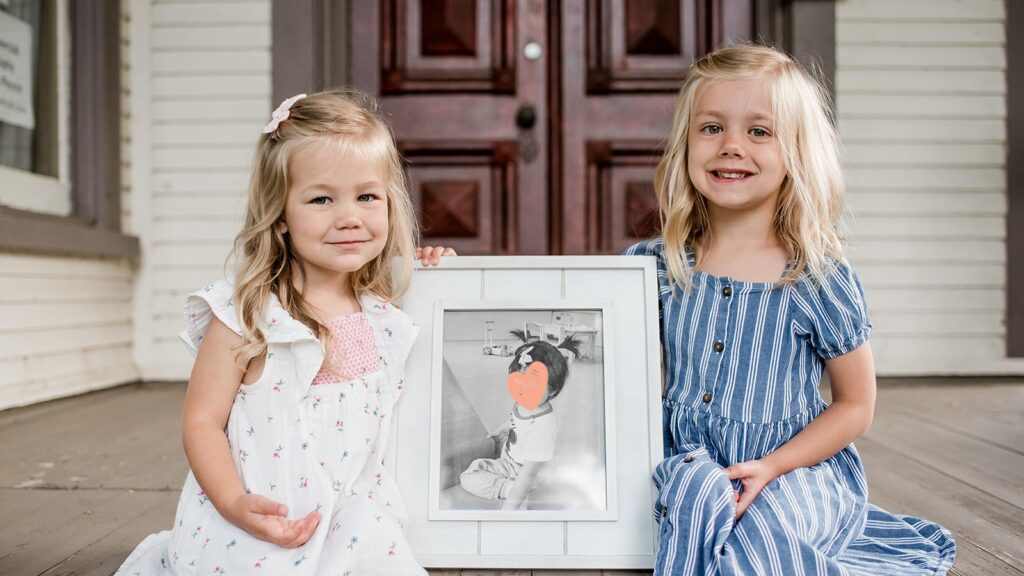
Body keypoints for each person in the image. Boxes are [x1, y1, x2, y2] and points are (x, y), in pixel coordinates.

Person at [624, 44, 956, 575]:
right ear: (686, 144)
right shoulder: (658, 266)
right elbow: (567, 313)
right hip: (690, 462)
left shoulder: (816, 276)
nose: (731, 146)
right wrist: (448, 272)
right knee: (691, 493)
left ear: (796, 151)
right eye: (711, 128)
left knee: (761, 538)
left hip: (794, 471)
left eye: (759, 131)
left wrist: (772, 465)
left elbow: (856, 405)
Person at [117, 89, 454, 575]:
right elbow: (202, 422)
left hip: (350, 519)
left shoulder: (383, 306)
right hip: (258, 524)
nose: (350, 217)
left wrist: (441, 274)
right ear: (280, 215)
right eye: (321, 199)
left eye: (367, 196)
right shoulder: (248, 313)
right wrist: (234, 503)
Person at [459, 334, 580, 509]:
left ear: (552, 391)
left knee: (468, 479)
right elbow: (516, 418)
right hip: (510, 461)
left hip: (525, 471)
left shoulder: (542, 429)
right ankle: (516, 487)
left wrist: (510, 505)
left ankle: (515, 490)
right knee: (474, 467)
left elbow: (529, 473)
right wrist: (504, 428)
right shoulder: (526, 400)